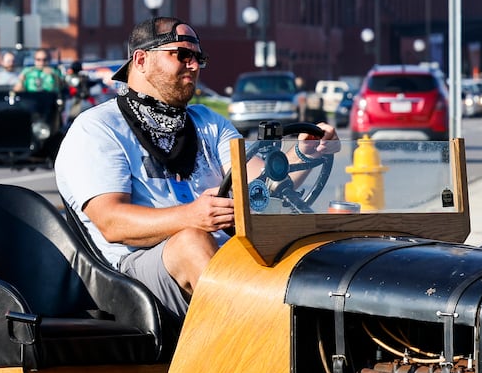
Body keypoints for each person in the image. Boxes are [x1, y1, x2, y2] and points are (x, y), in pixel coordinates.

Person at [55, 16, 335, 316]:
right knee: (191, 241)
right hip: (131, 274)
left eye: (198, 58)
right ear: (141, 60)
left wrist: (305, 153)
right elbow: (113, 223)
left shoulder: (208, 122)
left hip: (222, 256)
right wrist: (192, 217)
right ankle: (257, 345)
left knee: (315, 241)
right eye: (182, 55)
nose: (193, 65)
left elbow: (262, 184)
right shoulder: (98, 127)